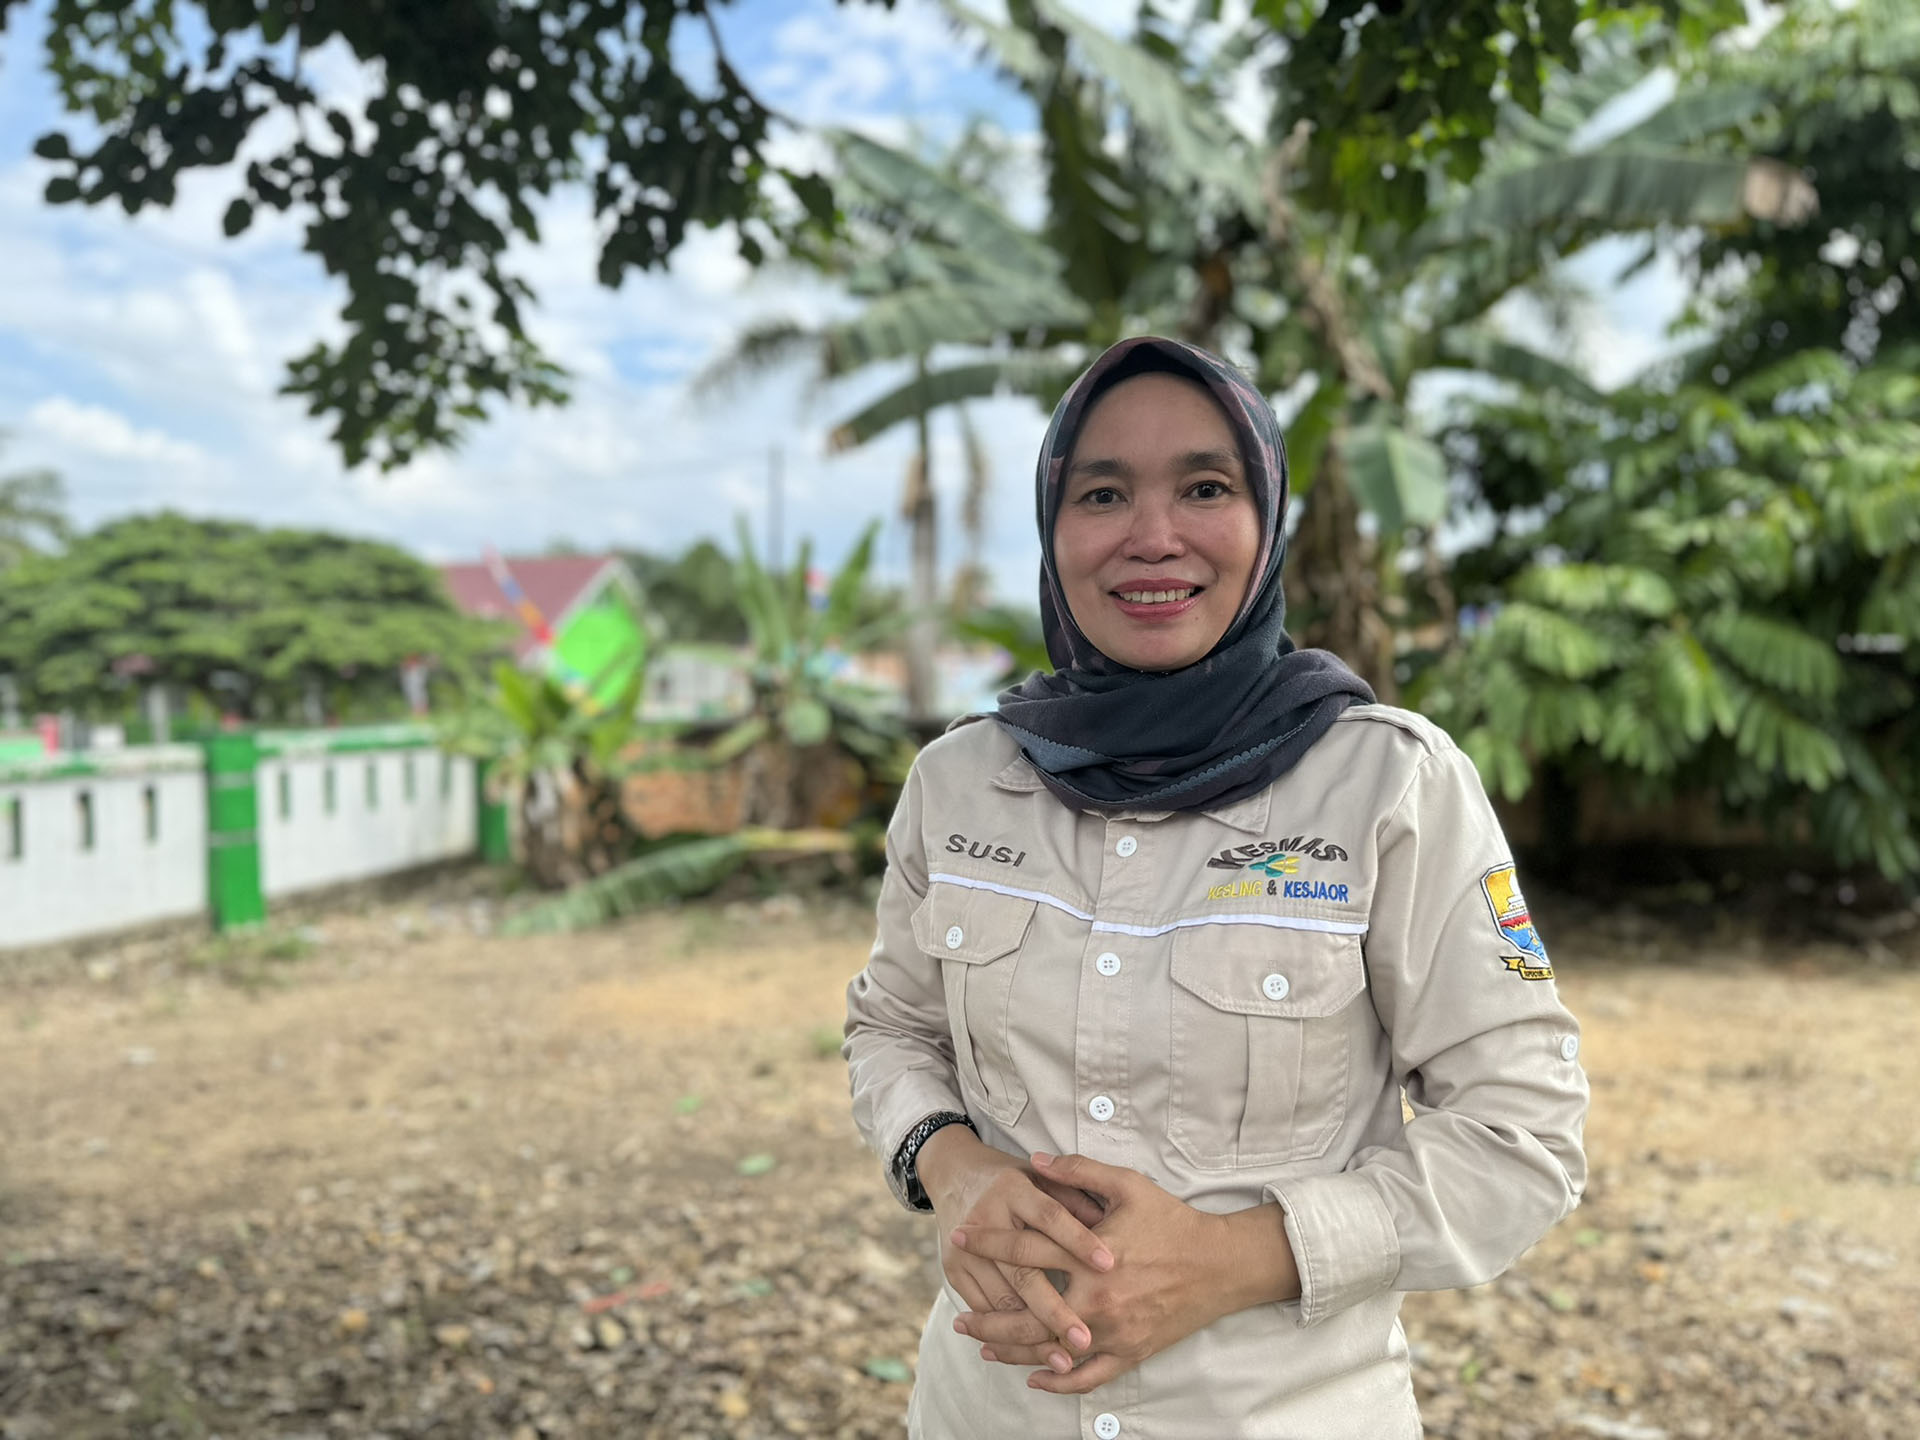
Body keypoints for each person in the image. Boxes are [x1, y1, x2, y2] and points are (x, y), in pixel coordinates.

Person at [843, 336, 1588, 1439]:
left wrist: (1236, 1261)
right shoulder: (960, 783)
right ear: (1054, 528)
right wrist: (952, 1171)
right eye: (1103, 492)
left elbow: (1523, 1134)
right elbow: (890, 1028)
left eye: (1205, 486)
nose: (1154, 536)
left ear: (1266, 518)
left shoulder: (1389, 783)